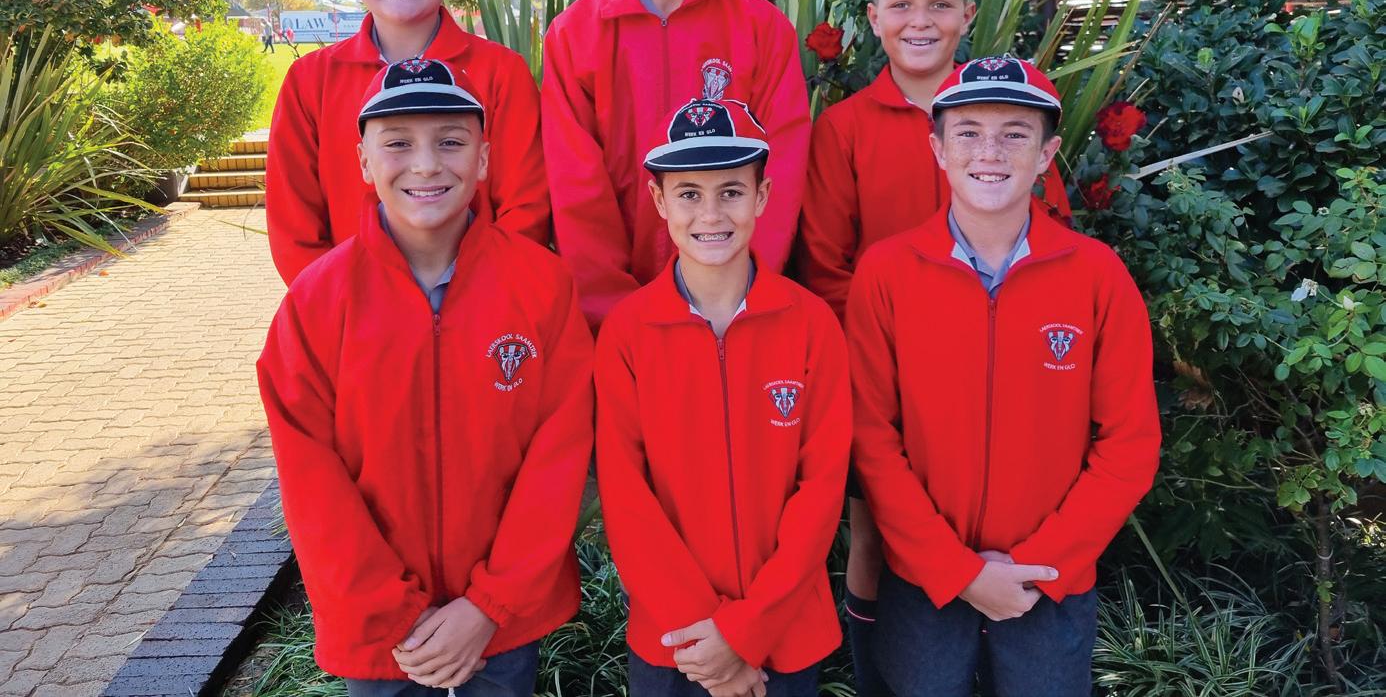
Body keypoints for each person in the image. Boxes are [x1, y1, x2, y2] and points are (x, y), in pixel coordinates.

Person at [257, 58, 594, 696]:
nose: (426, 164)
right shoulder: (317, 302)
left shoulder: (541, 287)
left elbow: (559, 456)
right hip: (384, 634)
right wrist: (396, 614)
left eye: (450, 141)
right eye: (398, 143)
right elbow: (311, 478)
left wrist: (489, 605)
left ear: (484, 158)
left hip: (499, 626)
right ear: (363, 162)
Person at [847, 56, 1161, 697]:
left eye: (1014, 133)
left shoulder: (1097, 276)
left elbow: (1129, 444)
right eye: (968, 132)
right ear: (937, 149)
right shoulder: (887, 273)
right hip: (925, 581)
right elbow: (870, 437)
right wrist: (955, 569)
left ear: (1046, 154)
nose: (989, 151)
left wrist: (1040, 563)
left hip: (1048, 584)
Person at [595, 94, 850, 697]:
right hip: (675, 640)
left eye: (731, 191)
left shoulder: (811, 325)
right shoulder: (628, 332)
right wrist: (705, 635)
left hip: (785, 633)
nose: (710, 213)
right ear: (660, 201)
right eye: (689, 193)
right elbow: (627, 496)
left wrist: (746, 629)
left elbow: (820, 491)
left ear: (762, 196)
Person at [543, 0, 810, 328]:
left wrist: (735, 299)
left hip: (736, 315)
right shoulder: (573, 35)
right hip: (617, 326)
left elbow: (779, 176)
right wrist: (618, 316)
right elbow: (576, 191)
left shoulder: (763, 28)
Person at [267, 0, 549, 285]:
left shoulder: (502, 72)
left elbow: (526, 206)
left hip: (484, 298)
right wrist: (336, 302)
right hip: (351, 305)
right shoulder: (310, 80)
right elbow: (293, 222)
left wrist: (482, 296)